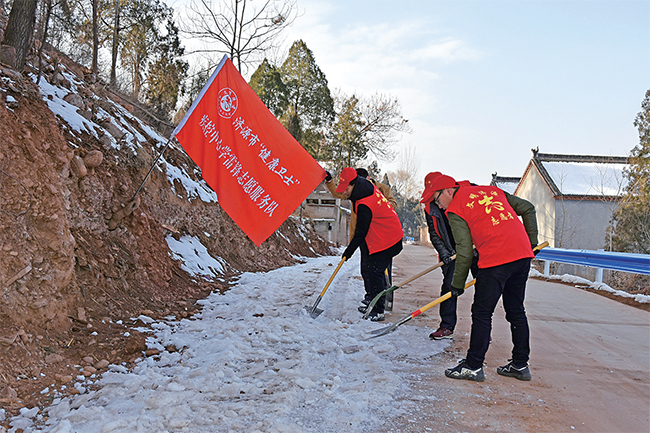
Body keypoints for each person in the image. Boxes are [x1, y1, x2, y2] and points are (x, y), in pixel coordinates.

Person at [428, 174, 538, 382]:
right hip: (522, 255)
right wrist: (531, 243)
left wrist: (456, 286)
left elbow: (465, 253)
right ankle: (520, 364)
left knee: (481, 312)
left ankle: (473, 366)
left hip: (496, 258)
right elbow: (528, 208)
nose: (439, 206)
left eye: (437, 199)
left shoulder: (455, 209)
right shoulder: (492, 191)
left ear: (449, 191)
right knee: (516, 309)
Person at [334, 167, 403, 321]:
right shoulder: (365, 189)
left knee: (375, 272)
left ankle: (378, 310)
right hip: (381, 236)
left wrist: (348, 252)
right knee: (369, 269)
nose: (344, 193)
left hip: (389, 239)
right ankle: (373, 303)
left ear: (353, 184)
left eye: (345, 189)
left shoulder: (364, 202)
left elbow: (361, 231)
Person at [420, 172, 479, 340]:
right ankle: (446, 326)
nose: (437, 204)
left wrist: (476, 245)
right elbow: (434, 233)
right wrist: (444, 252)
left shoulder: (464, 195)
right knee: (449, 287)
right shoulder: (430, 206)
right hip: (453, 252)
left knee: (483, 286)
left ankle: (481, 329)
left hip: (475, 248)